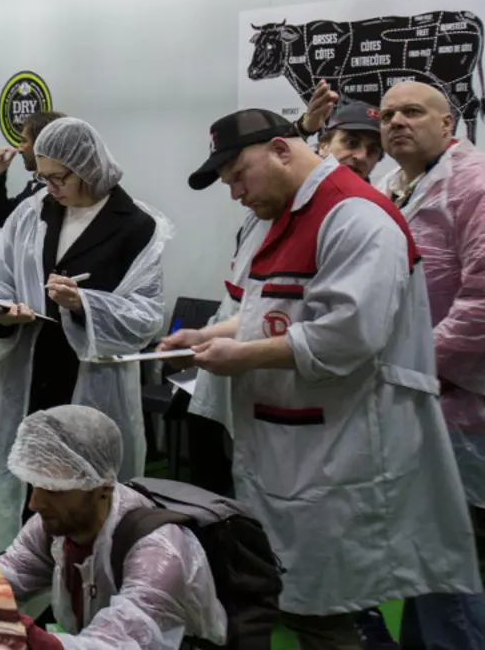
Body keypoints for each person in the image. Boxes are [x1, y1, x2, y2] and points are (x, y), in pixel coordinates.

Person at [161, 107, 481, 649]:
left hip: (342, 453)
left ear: (282, 150)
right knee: (301, 601)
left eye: (238, 175)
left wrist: (240, 357)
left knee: (326, 609)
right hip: (291, 449)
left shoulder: (355, 217)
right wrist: (214, 336)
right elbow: (278, 311)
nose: (235, 193)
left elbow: (348, 336)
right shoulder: (287, 217)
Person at [0, 117, 168, 551]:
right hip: (29, 370)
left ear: (88, 168)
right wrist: (2, 314)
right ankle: (26, 569)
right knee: (27, 485)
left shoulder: (136, 226)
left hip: (91, 383)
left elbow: (145, 316)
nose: (50, 186)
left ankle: (86, 580)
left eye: (58, 177)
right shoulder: (34, 211)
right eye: (42, 176)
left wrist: (85, 305)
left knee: (83, 496)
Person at [0, 405, 227, 649]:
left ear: (102, 489)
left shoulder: (159, 553)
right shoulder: (56, 525)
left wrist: (12, 628)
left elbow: (111, 645)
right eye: (34, 485)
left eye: (56, 490)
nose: (35, 503)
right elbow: (11, 576)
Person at [374, 81, 485, 648]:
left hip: (461, 400)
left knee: (446, 553)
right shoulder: (397, 187)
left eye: (413, 112)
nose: (396, 121)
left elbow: (482, 303)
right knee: (426, 548)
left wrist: (412, 366)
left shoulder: (473, 184)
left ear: (449, 124)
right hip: (418, 395)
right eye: (388, 113)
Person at [0, 110, 66, 227]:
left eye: (24, 141)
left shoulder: (58, 191)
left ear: (42, 144)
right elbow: (5, 218)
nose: (20, 149)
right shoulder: (38, 183)